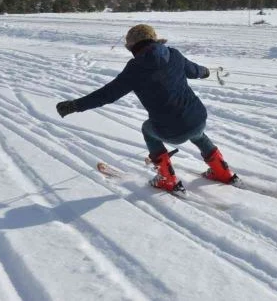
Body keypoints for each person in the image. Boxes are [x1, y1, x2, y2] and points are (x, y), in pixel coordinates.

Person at [56, 24, 236, 192]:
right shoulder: (174, 55)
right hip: (198, 118)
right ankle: (221, 170)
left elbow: (107, 94)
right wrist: (205, 72)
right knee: (196, 132)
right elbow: (196, 71)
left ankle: (166, 178)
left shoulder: (135, 69)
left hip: (171, 131)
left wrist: (75, 105)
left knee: (147, 129)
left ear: (133, 47)